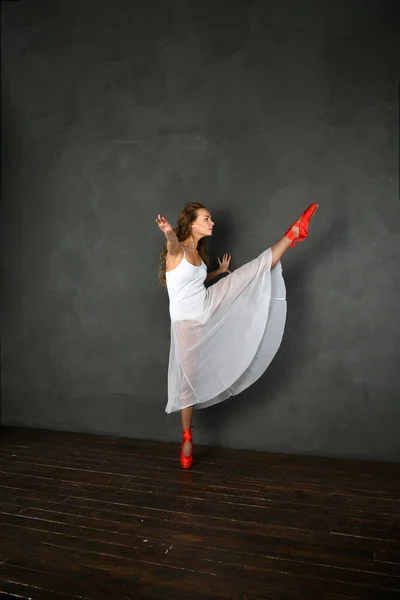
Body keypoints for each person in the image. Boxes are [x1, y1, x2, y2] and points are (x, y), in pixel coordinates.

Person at [156, 202, 318, 469]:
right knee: (188, 380)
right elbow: (173, 244)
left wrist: (218, 273)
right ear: (193, 223)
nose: (212, 223)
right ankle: (187, 435)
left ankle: (293, 233)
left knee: (248, 274)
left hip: (207, 303)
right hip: (186, 323)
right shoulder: (177, 250)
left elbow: (194, 281)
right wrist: (168, 232)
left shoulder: (197, 253)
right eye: (206, 219)